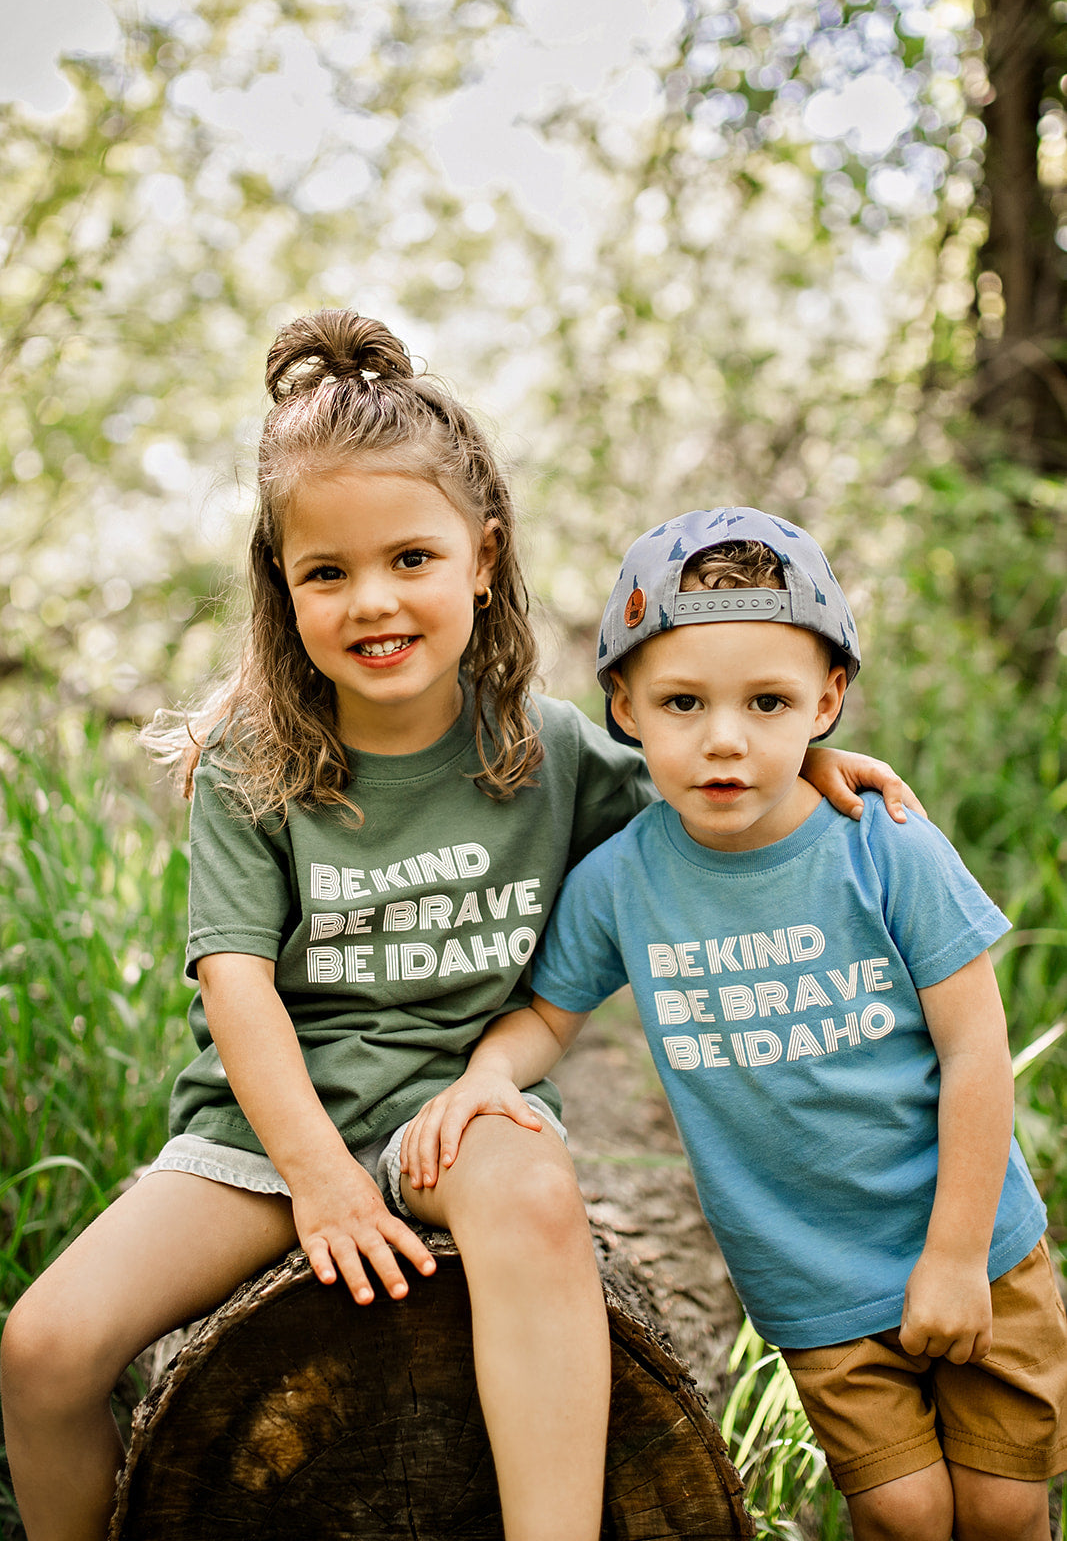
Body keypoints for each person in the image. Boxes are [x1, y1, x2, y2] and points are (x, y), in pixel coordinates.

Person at [0, 320, 917, 1541]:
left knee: (536, 1197)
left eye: (411, 558)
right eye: (326, 572)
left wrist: (799, 761)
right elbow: (236, 985)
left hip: (449, 1116)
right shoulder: (253, 763)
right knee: (42, 1348)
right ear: (282, 586)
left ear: (481, 560)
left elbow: (708, 794)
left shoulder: (546, 750)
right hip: (266, 1138)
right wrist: (322, 1183)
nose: (371, 599)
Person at [405, 507, 1067, 1541]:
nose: (724, 739)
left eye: (767, 701)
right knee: (900, 1508)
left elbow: (974, 1047)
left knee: (999, 1505)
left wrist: (951, 1254)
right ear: (625, 707)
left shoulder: (881, 843)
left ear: (826, 699)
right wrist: (489, 1075)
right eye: (681, 702)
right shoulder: (623, 880)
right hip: (810, 1274)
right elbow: (546, 1012)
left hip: (971, 1240)